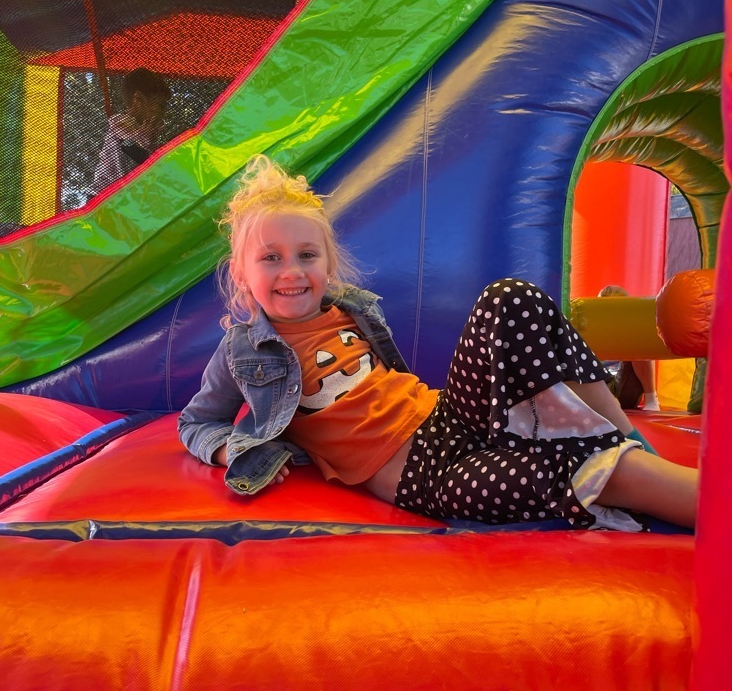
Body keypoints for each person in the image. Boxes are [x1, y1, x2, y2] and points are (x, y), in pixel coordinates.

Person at [178, 156, 698, 530]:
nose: (291, 272)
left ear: (328, 265)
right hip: (426, 476)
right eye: (271, 258)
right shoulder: (242, 352)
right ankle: (703, 504)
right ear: (242, 276)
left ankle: (626, 436)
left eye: (306, 255)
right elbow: (196, 421)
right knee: (574, 470)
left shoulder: (351, 311)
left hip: (448, 415)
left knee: (509, 298)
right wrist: (232, 449)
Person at [89, 68, 170, 197]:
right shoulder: (120, 121)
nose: (163, 112)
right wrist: (145, 137)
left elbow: (148, 159)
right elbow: (130, 142)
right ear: (139, 100)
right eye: (161, 105)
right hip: (101, 196)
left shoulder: (147, 131)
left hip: (123, 196)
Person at [598, 285, 660, 411]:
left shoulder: (629, 331)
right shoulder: (594, 329)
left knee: (638, 340)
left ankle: (652, 398)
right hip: (599, 389)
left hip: (621, 389)